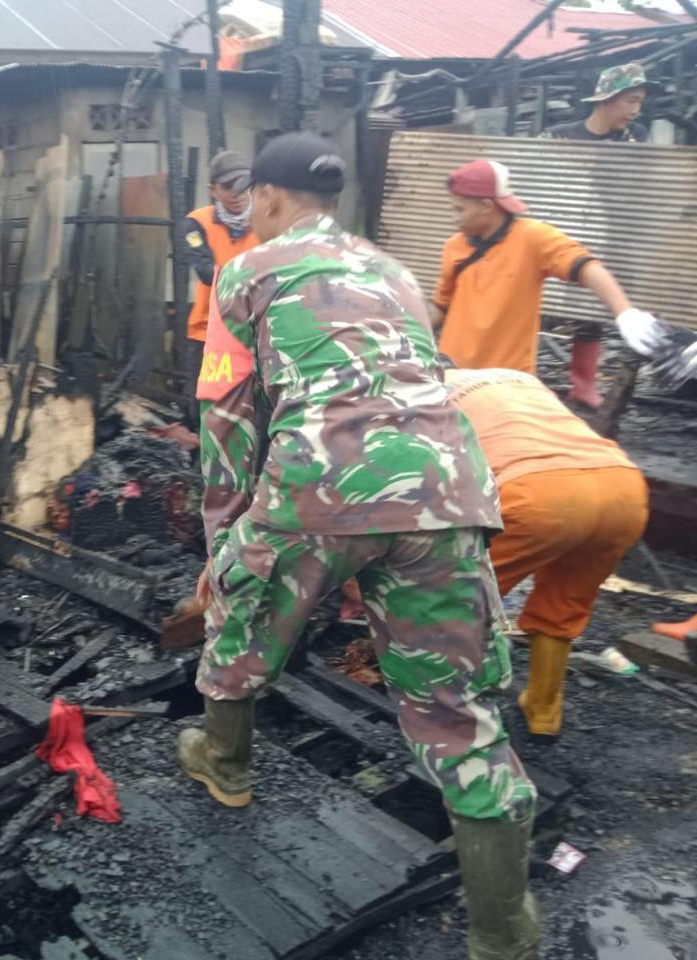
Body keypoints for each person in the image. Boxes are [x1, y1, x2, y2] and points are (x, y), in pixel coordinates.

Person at [182, 132, 539, 960]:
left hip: (317, 486)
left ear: (267, 198)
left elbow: (228, 416)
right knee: (454, 713)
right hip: (446, 492)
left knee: (239, 617)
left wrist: (224, 541)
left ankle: (224, 766)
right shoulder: (399, 271)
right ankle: (503, 932)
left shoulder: (246, 269)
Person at [444, 365, 648, 738]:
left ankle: (441, 711)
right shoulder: (516, 377)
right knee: (564, 605)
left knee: (457, 602)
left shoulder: (424, 392)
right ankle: (543, 712)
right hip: (622, 486)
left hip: (536, 492)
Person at [431, 158, 664, 378]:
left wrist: (625, 313)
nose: (455, 219)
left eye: (460, 210)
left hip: (507, 381)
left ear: (486, 206)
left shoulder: (533, 238)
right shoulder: (454, 246)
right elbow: (442, 307)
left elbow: (587, 267)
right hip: (453, 375)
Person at [542, 62, 659, 409]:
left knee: (591, 312)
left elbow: (647, 188)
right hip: (558, 231)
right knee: (535, 306)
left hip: (609, 232)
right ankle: (522, 377)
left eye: (640, 101)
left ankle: (583, 386)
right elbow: (532, 179)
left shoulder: (637, 138)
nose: (636, 110)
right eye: (630, 100)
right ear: (605, 99)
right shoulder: (559, 136)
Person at [183, 150, 259, 343]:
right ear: (212, 190)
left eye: (242, 185)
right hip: (208, 331)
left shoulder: (268, 221)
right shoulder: (196, 223)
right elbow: (206, 273)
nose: (236, 193)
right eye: (227, 186)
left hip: (257, 330)